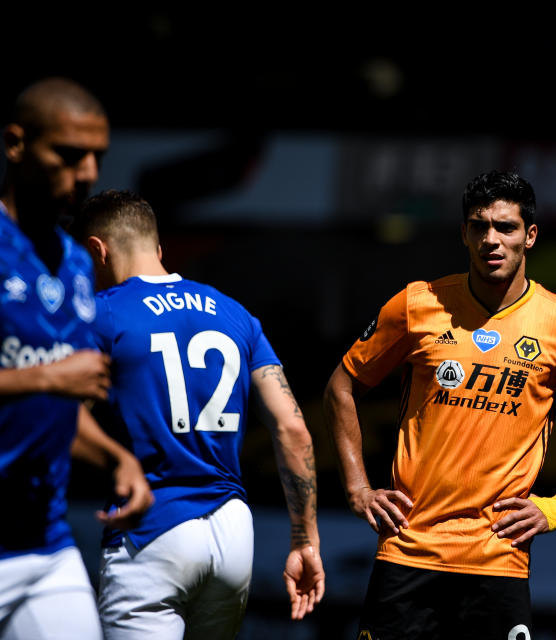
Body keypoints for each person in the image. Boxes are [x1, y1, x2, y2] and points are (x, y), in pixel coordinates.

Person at [324, 169, 556, 639]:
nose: (492, 239)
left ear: (529, 236)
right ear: (464, 234)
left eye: (506, 227)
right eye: (479, 226)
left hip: (498, 560)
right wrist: (357, 488)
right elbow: (341, 386)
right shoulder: (417, 304)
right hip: (409, 551)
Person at [72, 190, 324, 638]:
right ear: (159, 249)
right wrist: (304, 539)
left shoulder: (102, 315)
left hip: (151, 528)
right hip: (232, 534)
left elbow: (62, 416)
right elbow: (293, 429)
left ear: (97, 250)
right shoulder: (237, 315)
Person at [0, 78, 153, 639]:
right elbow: (51, 380)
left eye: (97, 156)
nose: (88, 171)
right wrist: (47, 375)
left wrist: (115, 457)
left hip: (44, 541)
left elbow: (59, 407)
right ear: (16, 144)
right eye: (68, 155)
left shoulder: (72, 261)